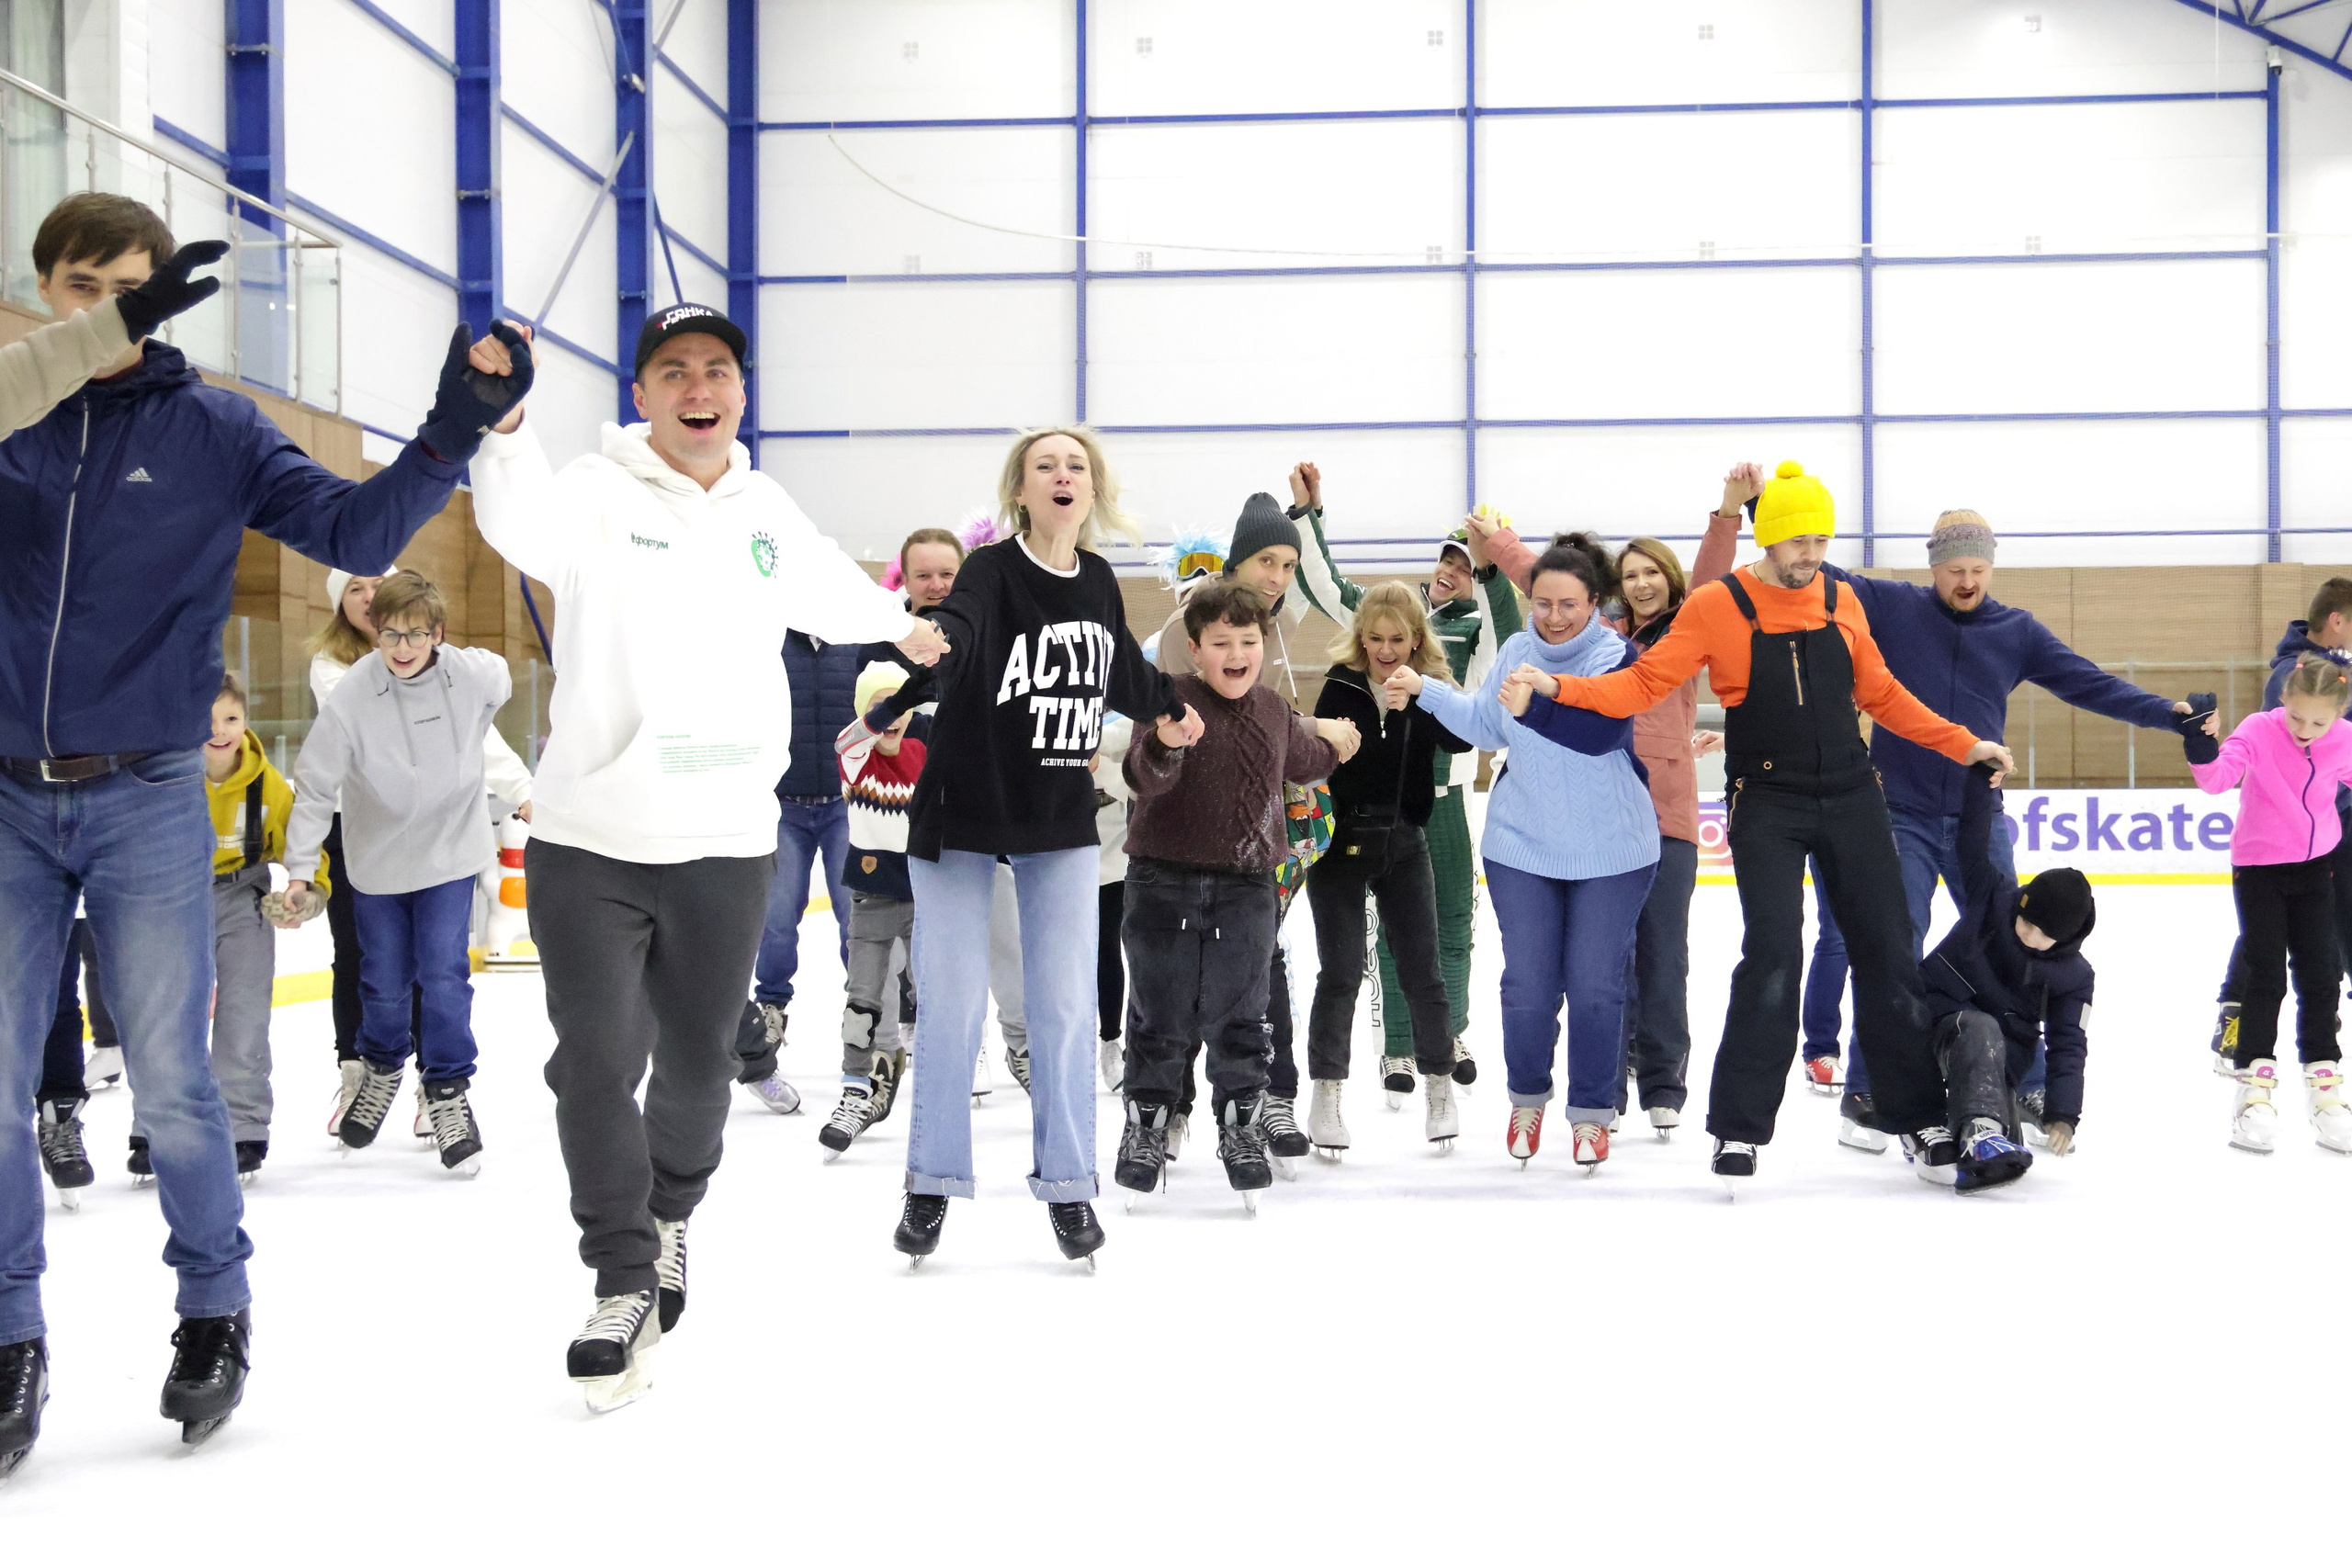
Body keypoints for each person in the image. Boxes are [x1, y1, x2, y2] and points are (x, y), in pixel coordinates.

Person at [0, 192, 525, 1469]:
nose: (110, 310)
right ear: (45, 290)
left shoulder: (213, 427)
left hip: (145, 793)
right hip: (7, 792)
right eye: (84, 286)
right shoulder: (9, 414)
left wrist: (453, 424)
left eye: (134, 285)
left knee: (179, 1086)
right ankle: (14, 1330)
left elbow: (351, 530)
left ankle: (211, 1306)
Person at [467, 305, 941, 1408]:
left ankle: (670, 1214)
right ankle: (622, 1277)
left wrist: (899, 623)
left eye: (716, 370)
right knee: (592, 1062)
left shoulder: (761, 505)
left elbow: (821, 582)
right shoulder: (592, 491)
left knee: (693, 1067)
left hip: (728, 837)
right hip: (593, 839)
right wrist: (505, 427)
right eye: (673, 369)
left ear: (739, 391)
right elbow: (517, 523)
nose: (697, 386)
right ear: (642, 394)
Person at [1531, 461, 2017, 1190]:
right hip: (1765, 800)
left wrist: (1963, 741)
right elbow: (1640, 683)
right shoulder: (1716, 605)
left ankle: (1915, 1114)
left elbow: (1882, 694)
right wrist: (1557, 687)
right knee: (1773, 955)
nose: (1811, 555)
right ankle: (1738, 1128)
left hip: (1853, 792)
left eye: (1820, 540)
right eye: (1799, 542)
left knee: (1887, 954)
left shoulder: (1841, 598)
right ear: (1770, 537)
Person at [853, 424, 1194, 1268]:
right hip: (966, 809)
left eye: (1075, 464)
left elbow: (1119, 669)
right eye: (1046, 465)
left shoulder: (1099, 579)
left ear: (1092, 486)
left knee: (1067, 1006)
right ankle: (930, 1181)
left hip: (1055, 815)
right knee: (954, 1004)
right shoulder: (990, 571)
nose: (1062, 474)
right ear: (1021, 488)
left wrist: (1168, 708)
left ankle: (1070, 1186)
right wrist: (938, 641)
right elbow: (964, 627)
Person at [1777, 503, 2187, 1126]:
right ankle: (1869, 1083)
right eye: (1953, 570)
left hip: (1977, 812)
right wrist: (1768, 509)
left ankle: (2030, 1079)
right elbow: (1814, 567)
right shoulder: (1894, 608)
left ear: (1991, 567)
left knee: (2013, 941)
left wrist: (2166, 714)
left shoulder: (2016, 631)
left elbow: (2089, 683)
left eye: (1977, 568)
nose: (1966, 581)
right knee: (1894, 943)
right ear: (1933, 568)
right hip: (1901, 814)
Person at [1475, 477, 1744, 1134]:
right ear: (1613, 588)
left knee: (1663, 952)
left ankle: (1662, 1081)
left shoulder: (1684, 632)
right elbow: (1545, 583)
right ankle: (1608, 1087)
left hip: (1665, 811)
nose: (1644, 582)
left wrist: (1728, 513)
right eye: (1631, 574)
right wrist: (1497, 538)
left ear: (1670, 580)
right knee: (1605, 965)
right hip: (1597, 818)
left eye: (1654, 572)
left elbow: (1712, 577)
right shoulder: (1598, 638)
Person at [1423, 542, 1659, 1170]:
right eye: (1545, 603)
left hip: (1611, 850)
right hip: (1523, 843)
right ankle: (1527, 1097)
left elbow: (1602, 731)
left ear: (1595, 604)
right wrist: (1424, 690)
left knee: (1594, 985)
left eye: (1570, 605)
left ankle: (1589, 1113)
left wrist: (1542, 703)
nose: (1555, 617)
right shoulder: (1517, 652)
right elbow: (1486, 723)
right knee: (1527, 985)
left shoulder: (1616, 655)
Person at [1292, 464, 1521, 1094]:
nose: (1454, 571)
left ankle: (1447, 1033)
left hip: (1442, 799)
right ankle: (1396, 1045)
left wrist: (1496, 565)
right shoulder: (1394, 613)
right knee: (1390, 932)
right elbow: (1325, 585)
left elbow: (1510, 642)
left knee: (1449, 923)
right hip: (1371, 806)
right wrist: (1311, 517)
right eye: (1450, 559)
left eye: (1467, 565)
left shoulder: (1475, 628)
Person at [1115, 581, 1343, 1205]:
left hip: (1248, 885)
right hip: (1163, 880)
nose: (1236, 652)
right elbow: (1142, 772)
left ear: (1263, 647)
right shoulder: (1172, 702)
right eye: (1221, 642)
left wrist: (1337, 745)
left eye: (1248, 640)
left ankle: (1240, 1124)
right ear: (1195, 650)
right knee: (1160, 1012)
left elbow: (1301, 756)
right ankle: (1147, 1124)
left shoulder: (1272, 707)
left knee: (1243, 1014)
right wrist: (1165, 741)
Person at [284, 570, 516, 1176]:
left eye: (416, 634)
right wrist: (302, 868)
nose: (403, 648)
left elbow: (500, 684)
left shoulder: (466, 675)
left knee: (442, 973)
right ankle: (382, 1068)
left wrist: (523, 788)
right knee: (382, 978)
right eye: (390, 635)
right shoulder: (355, 692)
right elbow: (313, 785)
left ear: (436, 634)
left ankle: (446, 1091)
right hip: (378, 860)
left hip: (449, 854)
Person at [1149, 491, 1349, 1160]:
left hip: (1260, 829)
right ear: (1236, 562)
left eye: (1289, 565)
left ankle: (1269, 1098)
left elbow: (1325, 594)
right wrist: (1312, 727)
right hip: (1185, 838)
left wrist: (1309, 518)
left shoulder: (1270, 628)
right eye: (1267, 560)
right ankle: (1170, 1105)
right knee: (1179, 978)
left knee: (1261, 963)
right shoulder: (1189, 632)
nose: (1279, 577)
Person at [1304, 582, 1471, 1154]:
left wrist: (1422, 700)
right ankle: (1326, 1093)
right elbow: (1325, 760)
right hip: (1338, 847)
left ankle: (1439, 1087)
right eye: (1374, 638)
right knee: (1341, 972)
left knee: (1422, 970)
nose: (1385, 649)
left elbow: (1463, 740)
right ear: (1360, 639)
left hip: (1405, 842)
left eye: (1397, 639)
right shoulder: (1341, 685)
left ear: (1416, 638)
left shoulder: (1430, 687)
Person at [2186, 658, 2352, 1154]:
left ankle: (2325, 1087)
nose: (2306, 730)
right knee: (2264, 974)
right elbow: (2217, 779)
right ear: (2284, 701)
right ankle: (2254, 1088)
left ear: (2339, 716)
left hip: (2315, 866)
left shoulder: (2342, 738)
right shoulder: (2259, 730)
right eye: (2297, 717)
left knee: (2322, 974)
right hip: (2258, 870)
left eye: (2319, 723)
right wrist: (2200, 744)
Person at [173, 673, 331, 1187]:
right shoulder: (165, 777)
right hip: (173, 899)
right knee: (169, 1014)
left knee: (242, 1013)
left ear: (246, 721)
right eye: (207, 721)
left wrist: (306, 893)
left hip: (242, 896)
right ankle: (157, 1126)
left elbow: (303, 848)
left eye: (231, 719)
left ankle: (243, 1128)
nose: (219, 731)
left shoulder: (268, 784)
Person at [1916, 763, 2088, 1190]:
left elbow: (2069, 1045)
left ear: (2066, 938)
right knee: (1979, 1025)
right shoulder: (1992, 900)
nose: (2028, 935)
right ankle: (1971, 1131)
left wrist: (2064, 1113)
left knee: (1991, 1042)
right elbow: (1971, 845)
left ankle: (1985, 1133)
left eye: (2043, 935)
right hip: (1938, 1021)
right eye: (2026, 922)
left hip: (2000, 1059)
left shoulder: (2075, 977)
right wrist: (1979, 784)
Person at [2208, 578, 2352, 1073]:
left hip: (2333, 823)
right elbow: (2275, 761)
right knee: (2266, 936)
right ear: (2337, 621)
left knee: (2333, 923)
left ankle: (2322, 1018)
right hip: (2291, 838)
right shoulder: (2292, 680)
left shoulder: (2340, 674)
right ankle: (2237, 1014)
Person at [731, 621, 863, 1111]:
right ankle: (772, 1007)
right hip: (783, 805)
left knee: (855, 915)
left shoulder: (855, 642)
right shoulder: (766, 641)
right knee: (777, 916)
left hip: (843, 802)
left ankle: (864, 1013)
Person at [820, 660, 929, 1156]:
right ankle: (854, 1089)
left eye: (900, 705)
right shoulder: (855, 756)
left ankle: (937, 1095)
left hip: (927, 897)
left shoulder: (923, 749)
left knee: (934, 998)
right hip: (871, 900)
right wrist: (892, 704)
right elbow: (853, 737)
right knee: (862, 999)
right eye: (881, 706)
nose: (892, 716)